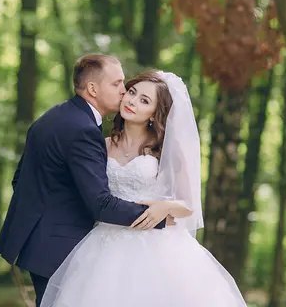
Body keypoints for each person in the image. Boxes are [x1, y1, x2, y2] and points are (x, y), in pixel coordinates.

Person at [40, 70, 247, 307]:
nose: (132, 101)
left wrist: (165, 207)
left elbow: (189, 206)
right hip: (104, 243)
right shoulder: (101, 144)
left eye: (144, 101)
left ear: (153, 114)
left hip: (157, 243)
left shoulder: (165, 151)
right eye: (132, 92)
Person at [0, 55, 169, 307]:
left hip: (40, 243)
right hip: (60, 247)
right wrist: (157, 216)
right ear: (93, 89)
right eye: (117, 84)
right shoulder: (83, 130)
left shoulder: (53, 117)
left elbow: (19, 180)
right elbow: (100, 204)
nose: (123, 91)